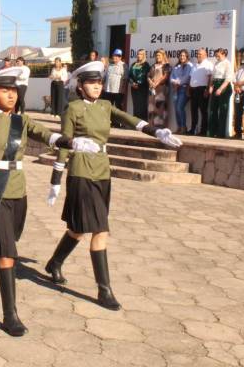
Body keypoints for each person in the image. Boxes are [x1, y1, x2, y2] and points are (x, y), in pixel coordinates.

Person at [0, 67, 100, 337]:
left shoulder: (20, 121)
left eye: (14, 90)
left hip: (18, 191)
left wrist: (72, 142)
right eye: (4, 90)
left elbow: (47, 134)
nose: (11, 95)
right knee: (7, 254)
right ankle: (10, 315)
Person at [44, 62, 182, 310]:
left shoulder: (106, 106)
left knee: (78, 229)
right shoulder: (73, 109)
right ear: (81, 86)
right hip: (81, 172)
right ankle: (104, 290)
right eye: (91, 83)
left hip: (102, 172)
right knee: (100, 230)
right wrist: (56, 179)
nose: (97, 86)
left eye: (99, 82)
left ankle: (54, 262)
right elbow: (64, 143)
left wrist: (157, 132)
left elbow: (130, 120)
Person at [207, 48, 234, 138]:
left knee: (223, 110)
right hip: (216, 84)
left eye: (218, 55)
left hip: (224, 87)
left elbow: (228, 79)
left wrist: (220, 89)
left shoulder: (228, 64)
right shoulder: (216, 63)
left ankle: (220, 132)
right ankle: (211, 131)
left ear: (223, 54)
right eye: (216, 55)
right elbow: (213, 76)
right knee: (212, 109)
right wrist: (211, 86)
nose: (216, 57)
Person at [189, 48, 213, 135]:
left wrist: (207, 89)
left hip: (203, 89)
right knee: (193, 110)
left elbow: (210, 78)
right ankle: (193, 129)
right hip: (194, 90)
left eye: (200, 54)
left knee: (203, 111)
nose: (198, 55)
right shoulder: (194, 65)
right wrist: (189, 88)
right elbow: (191, 78)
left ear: (205, 55)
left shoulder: (208, 64)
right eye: (198, 54)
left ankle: (203, 131)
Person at [170, 49, 193, 134]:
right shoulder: (177, 66)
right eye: (180, 55)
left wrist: (178, 83)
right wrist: (174, 83)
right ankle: (179, 127)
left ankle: (183, 127)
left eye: (183, 55)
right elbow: (171, 77)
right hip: (175, 90)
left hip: (184, 89)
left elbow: (187, 77)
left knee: (180, 107)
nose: (182, 57)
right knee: (176, 109)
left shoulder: (190, 65)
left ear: (187, 56)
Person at [148, 49, 171, 128]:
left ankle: (160, 126)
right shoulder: (153, 65)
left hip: (162, 89)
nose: (157, 57)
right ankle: (151, 125)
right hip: (152, 89)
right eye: (156, 55)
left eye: (159, 55)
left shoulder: (166, 65)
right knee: (151, 107)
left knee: (160, 107)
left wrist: (156, 83)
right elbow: (148, 76)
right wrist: (150, 82)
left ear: (163, 56)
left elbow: (165, 76)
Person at [129, 49, 150, 120]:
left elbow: (145, 76)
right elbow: (129, 76)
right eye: (138, 54)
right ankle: (136, 122)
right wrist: (132, 83)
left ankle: (143, 123)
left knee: (142, 105)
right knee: (136, 105)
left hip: (142, 88)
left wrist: (138, 83)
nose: (138, 55)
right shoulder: (133, 64)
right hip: (134, 88)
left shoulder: (146, 65)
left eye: (140, 54)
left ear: (144, 55)